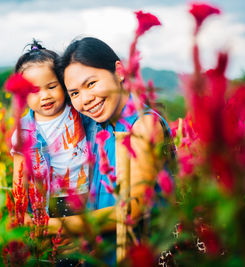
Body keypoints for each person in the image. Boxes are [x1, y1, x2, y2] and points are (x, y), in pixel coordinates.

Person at [49, 37, 176, 264]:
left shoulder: (144, 125)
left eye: (91, 84)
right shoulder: (96, 126)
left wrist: (58, 226)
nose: (86, 99)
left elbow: (133, 208)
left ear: (118, 71)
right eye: (75, 93)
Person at [10, 40, 90, 226]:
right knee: (55, 246)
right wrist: (21, 210)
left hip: (83, 194)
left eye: (52, 87)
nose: (45, 96)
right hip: (46, 199)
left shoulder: (77, 111)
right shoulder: (23, 131)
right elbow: (19, 175)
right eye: (34, 91)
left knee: (83, 243)